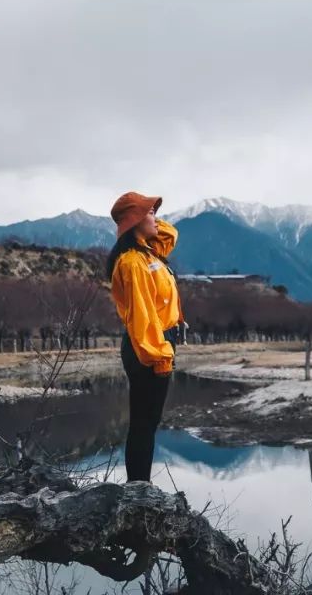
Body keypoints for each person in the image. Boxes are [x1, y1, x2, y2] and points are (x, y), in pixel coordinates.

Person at [107, 191, 183, 482]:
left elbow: (169, 235)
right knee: (143, 423)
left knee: (148, 422)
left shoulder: (149, 253)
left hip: (157, 342)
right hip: (148, 345)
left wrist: (146, 220)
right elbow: (143, 317)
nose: (157, 218)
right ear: (135, 220)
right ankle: (139, 488)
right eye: (150, 213)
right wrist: (160, 357)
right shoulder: (132, 262)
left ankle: (140, 487)